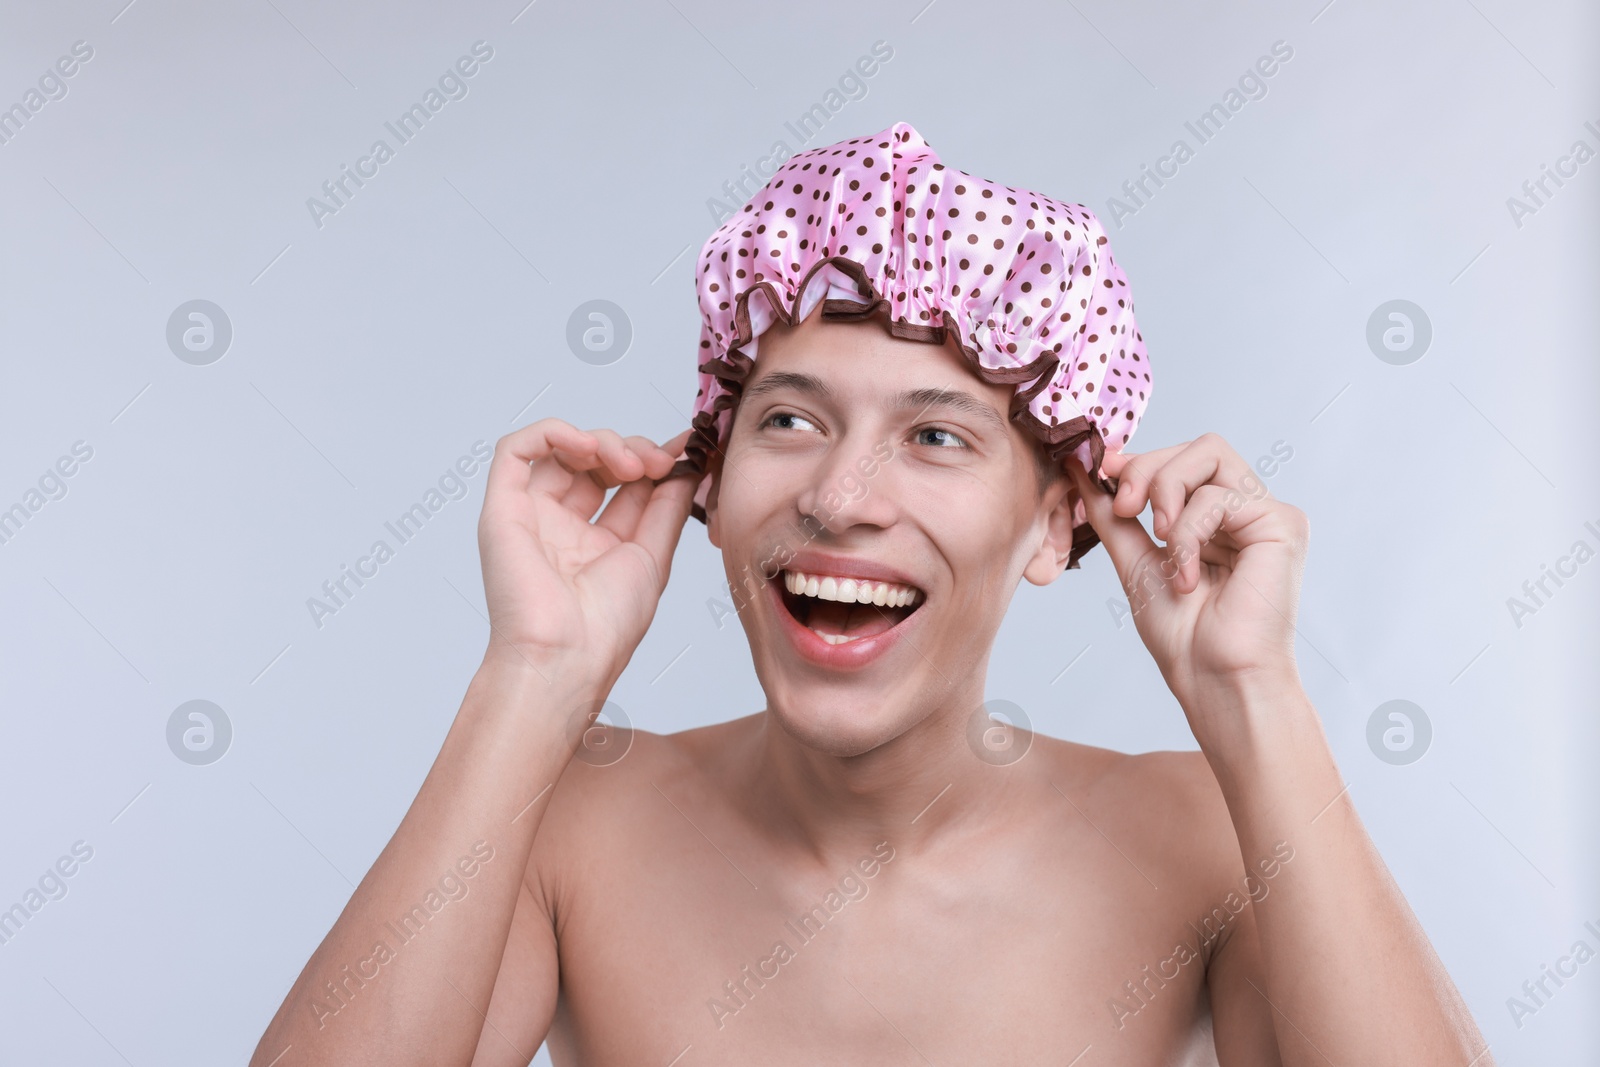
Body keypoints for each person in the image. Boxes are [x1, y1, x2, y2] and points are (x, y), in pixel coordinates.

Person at [251, 123, 1491, 1066]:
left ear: (1057, 521)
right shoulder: (571, 824)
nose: (840, 496)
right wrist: (534, 673)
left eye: (938, 436)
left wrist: (1251, 694)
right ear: (710, 477)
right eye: (788, 419)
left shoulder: (1204, 837)